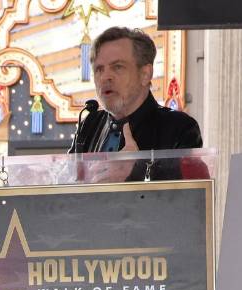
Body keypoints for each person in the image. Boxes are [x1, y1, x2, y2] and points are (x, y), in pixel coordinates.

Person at [71, 26, 203, 181]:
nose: (105, 77)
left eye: (117, 67)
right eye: (99, 69)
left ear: (145, 74)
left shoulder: (179, 127)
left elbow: (184, 197)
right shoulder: (90, 124)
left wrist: (135, 172)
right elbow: (66, 181)